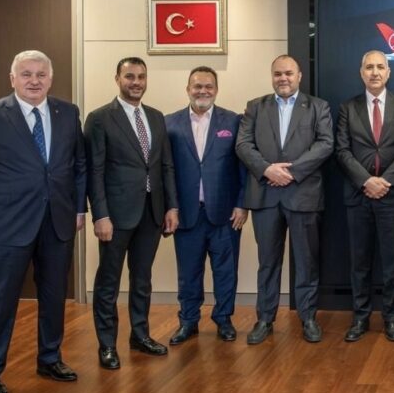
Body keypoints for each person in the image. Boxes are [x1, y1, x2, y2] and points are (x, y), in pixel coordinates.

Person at [0, 50, 86, 393]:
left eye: (41, 74)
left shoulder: (68, 112)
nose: (34, 80)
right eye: (26, 74)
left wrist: (79, 208)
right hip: (7, 224)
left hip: (57, 221)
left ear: (51, 79)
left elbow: (79, 165)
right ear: (12, 78)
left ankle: (50, 358)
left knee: (54, 296)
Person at [86, 57, 178, 369]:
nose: (136, 82)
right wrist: (100, 215)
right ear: (117, 79)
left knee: (142, 279)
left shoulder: (156, 117)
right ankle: (107, 344)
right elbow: (95, 171)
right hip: (115, 216)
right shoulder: (100, 118)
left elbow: (165, 166)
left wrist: (171, 206)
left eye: (141, 77)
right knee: (108, 282)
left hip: (152, 212)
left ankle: (140, 335)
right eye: (129, 77)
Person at [236, 55, 333, 344]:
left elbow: (325, 143)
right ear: (272, 76)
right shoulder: (255, 106)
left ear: (299, 76)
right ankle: (265, 319)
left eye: (289, 73)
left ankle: (308, 318)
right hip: (265, 195)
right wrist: (267, 169)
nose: (283, 78)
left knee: (306, 261)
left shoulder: (317, 107)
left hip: (303, 195)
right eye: (278, 73)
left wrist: (291, 172)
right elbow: (243, 144)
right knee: (267, 262)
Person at [336, 50, 394, 342]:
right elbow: (341, 150)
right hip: (358, 195)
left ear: (388, 72)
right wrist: (365, 181)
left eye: (380, 67)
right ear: (361, 73)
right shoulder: (348, 107)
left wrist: (385, 181)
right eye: (369, 67)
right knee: (359, 262)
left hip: (392, 195)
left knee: (391, 261)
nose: (375, 72)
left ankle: (391, 318)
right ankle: (360, 318)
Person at [165, 66, 248, 345]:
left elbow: (243, 167)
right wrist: (171, 207)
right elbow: (166, 170)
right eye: (197, 86)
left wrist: (241, 204)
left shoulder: (233, 121)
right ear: (188, 89)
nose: (203, 91)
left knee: (226, 272)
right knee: (188, 273)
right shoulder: (169, 123)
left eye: (208, 86)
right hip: (187, 214)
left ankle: (223, 319)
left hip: (225, 213)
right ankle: (188, 321)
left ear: (216, 89)